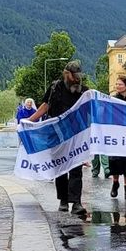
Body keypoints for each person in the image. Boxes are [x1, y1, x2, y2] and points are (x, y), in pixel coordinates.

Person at [27, 60, 89, 216]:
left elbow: (91, 112)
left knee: (76, 169)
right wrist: (30, 121)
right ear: (66, 74)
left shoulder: (84, 92)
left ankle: (76, 202)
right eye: (74, 76)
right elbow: (45, 106)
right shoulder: (56, 88)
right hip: (57, 134)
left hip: (76, 135)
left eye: (79, 77)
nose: (77, 80)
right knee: (61, 167)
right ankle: (63, 200)